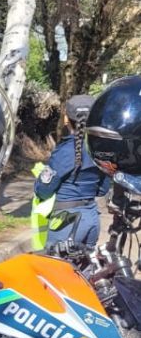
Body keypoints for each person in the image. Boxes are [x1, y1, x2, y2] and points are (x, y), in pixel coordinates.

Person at [32, 94, 109, 250]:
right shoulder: (101, 149)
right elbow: (102, 189)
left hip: (67, 222)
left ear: (66, 119)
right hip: (92, 219)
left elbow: (44, 191)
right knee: (84, 272)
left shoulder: (65, 151)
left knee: (54, 271)